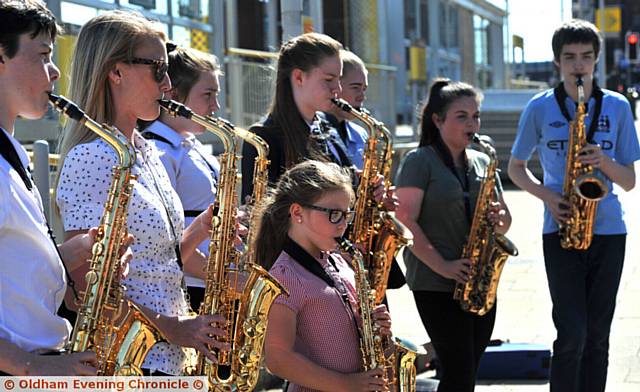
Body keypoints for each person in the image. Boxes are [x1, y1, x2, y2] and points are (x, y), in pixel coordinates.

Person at [55, 11, 228, 376]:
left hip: (166, 361)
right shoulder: (92, 155)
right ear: (116, 72)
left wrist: (202, 229)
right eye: (157, 69)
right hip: (128, 363)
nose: (167, 85)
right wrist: (174, 327)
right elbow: (88, 288)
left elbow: (158, 261)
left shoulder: (143, 149)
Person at [508, 19, 640, 392]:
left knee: (598, 335)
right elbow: (515, 169)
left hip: (610, 230)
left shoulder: (616, 107)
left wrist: (603, 162)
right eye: (570, 58)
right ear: (557, 62)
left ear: (597, 60)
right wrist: (548, 196)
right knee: (571, 333)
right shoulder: (540, 107)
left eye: (585, 57)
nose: (578, 66)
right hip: (560, 227)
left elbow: (629, 181)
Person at [0, 0, 102, 376]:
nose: (56, 71)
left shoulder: (12, 156)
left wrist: (80, 250)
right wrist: (28, 366)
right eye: (43, 54)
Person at [394, 79, 512, 392]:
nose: (472, 123)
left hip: (477, 281)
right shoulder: (419, 162)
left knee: (468, 367)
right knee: (458, 369)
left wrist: (499, 220)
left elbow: (505, 221)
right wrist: (444, 265)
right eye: (462, 116)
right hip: (435, 282)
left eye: (475, 116)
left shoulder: (484, 161)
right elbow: (404, 221)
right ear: (437, 119)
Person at [254, 160, 392, 392]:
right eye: (334, 214)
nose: (343, 225)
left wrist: (373, 328)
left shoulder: (338, 261)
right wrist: (346, 384)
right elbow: (277, 359)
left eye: (347, 214)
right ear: (297, 212)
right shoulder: (285, 276)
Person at [141, 46, 222, 312]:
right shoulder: (158, 149)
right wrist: (223, 278)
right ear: (174, 96)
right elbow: (166, 240)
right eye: (208, 95)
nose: (215, 106)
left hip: (207, 281)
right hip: (190, 285)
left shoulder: (192, 144)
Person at [241, 32, 351, 201]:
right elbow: (260, 216)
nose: (338, 89)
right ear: (299, 77)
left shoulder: (329, 124)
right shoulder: (263, 138)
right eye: (329, 80)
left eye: (339, 79)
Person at [323, 49, 369, 170]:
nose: (362, 96)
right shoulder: (314, 132)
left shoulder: (361, 135)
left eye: (364, 89)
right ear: (335, 85)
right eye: (355, 87)